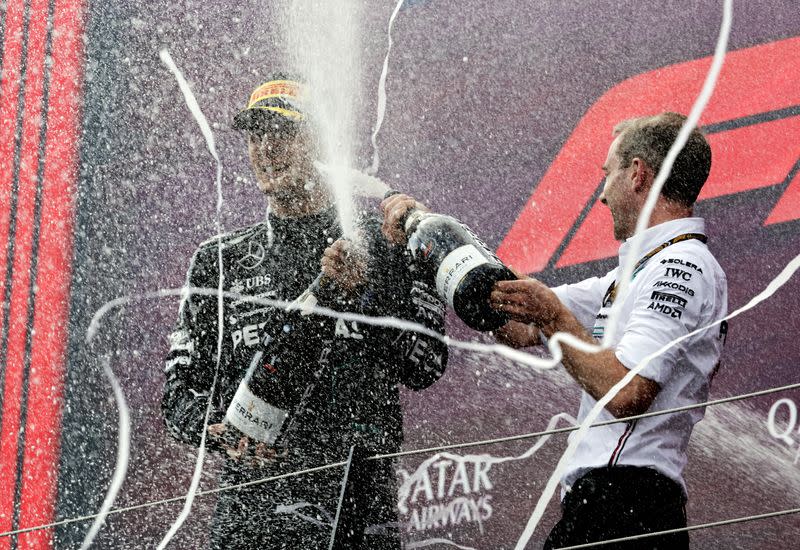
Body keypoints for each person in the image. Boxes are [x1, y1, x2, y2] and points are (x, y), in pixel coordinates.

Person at [161, 75, 448, 549]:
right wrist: (221, 432)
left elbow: (426, 365)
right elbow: (178, 395)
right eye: (255, 135)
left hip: (356, 509)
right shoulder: (220, 261)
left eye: (283, 132)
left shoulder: (385, 244)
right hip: (249, 518)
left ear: (322, 141)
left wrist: (361, 299)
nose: (266, 148)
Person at [488, 112, 728, 549]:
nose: (602, 195)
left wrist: (554, 318)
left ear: (637, 174)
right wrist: (436, 250)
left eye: (607, 174)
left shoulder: (682, 265)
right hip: (604, 506)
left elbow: (626, 393)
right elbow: (518, 324)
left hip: (629, 506)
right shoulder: (631, 274)